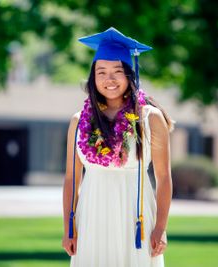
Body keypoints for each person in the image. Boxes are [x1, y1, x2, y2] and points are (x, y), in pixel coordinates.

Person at [62, 27, 173, 267]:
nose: (108, 79)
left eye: (117, 71)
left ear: (130, 75)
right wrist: (68, 227)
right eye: (101, 72)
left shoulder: (149, 118)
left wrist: (161, 228)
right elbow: (72, 179)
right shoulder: (79, 121)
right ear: (93, 77)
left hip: (136, 218)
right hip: (92, 217)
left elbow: (164, 178)